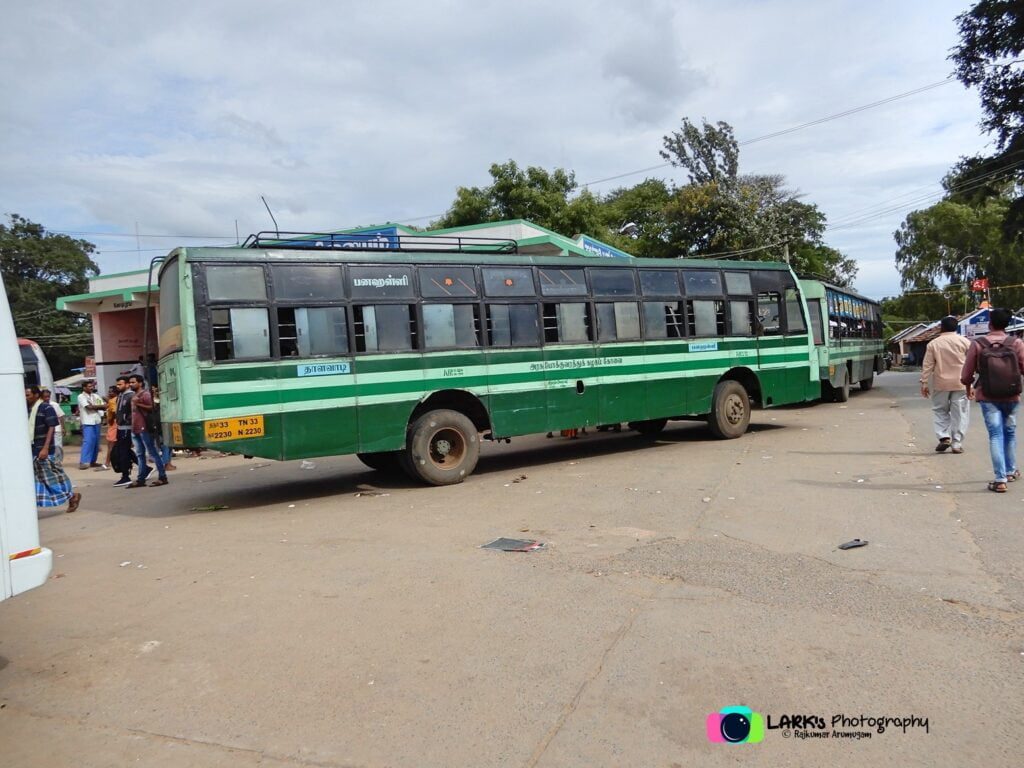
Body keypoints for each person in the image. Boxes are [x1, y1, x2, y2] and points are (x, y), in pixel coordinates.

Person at [960, 307, 1024, 493]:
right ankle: (1011, 471)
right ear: (1008, 323)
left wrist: (968, 388)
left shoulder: (978, 344)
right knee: (1010, 432)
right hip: (1012, 395)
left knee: (996, 434)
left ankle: (1000, 479)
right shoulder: (1016, 343)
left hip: (988, 396)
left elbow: (967, 373)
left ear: (990, 323)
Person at [920, 316, 972, 454]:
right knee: (960, 413)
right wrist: (971, 384)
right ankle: (957, 443)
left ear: (941, 327)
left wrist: (924, 382)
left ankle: (944, 437)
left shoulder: (933, 344)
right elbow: (972, 363)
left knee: (940, 410)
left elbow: (928, 365)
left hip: (941, 383)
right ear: (956, 327)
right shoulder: (965, 342)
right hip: (961, 383)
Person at [26, 386, 81, 513]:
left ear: (36, 395)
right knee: (39, 478)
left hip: (44, 449)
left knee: (53, 477)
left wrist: (45, 448)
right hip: (32, 449)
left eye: (28, 395)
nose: (26, 398)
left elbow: (51, 427)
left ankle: (72, 496)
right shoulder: (28, 409)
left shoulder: (46, 408)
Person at [127, 374, 168, 487]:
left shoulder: (145, 394)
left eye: (133, 382)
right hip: (135, 429)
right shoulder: (134, 395)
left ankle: (162, 476)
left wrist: (138, 404)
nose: (131, 384)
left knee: (153, 453)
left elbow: (153, 407)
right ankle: (141, 479)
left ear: (140, 383)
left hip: (144, 428)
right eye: (130, 382)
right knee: (140, 454)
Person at [76, 379, 106, 469]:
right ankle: (84, 461)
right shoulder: (81, 396)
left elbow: (104, 407)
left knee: (96, 442)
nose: (91, 388)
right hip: (87, 421)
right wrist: (97, 407)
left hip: (97, 420)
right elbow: (88, 407)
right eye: (89, 386)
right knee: (88, 441)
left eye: (92, 386)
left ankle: (92, 461)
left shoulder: (95, 396)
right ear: (84, 387)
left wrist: (94, 406)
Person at [113, 376, 136, 487]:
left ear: (127, 385)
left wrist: (127, 421)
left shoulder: (131, 396)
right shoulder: (120, 396)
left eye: (120, 384)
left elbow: (133, 412)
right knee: (123, 451)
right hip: (120, 427)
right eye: (117, 384)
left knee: (123, 452)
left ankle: (125, 476)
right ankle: (144, 468)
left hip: (127, 428)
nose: (118, 386)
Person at [39, 389, 64, 464]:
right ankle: (51, 461)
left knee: (58, 446)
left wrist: (63, 427)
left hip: (56, 429)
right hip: (46, 430)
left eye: (48, 397)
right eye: (45, 397)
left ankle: (58, 461)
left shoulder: (54, 405)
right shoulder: (39, 405)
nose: (47, 398)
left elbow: (61, 416)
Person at [102, 385, 118, 470]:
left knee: (111, 445)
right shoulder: (114, 400)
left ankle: (107, 463)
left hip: (114, 424)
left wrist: (110, 420)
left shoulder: (113, 401)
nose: (109, 393)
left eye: (111, 391)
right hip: (114, 424)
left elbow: (114, 412)